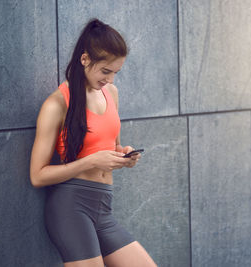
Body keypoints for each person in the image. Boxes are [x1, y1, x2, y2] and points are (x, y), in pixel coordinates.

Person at [29, 18, 157, 267]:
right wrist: (89, 162)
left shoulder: (111, 93)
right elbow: (37, 175)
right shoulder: (56, 104)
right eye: (105, 71)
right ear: (85, 59)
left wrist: (124, 156)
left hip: (104, 208)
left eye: (115, 73)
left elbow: (112, 146)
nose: (109, 80)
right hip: (70, 208)